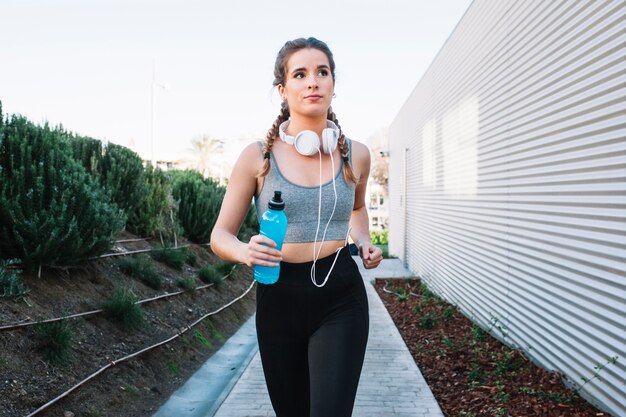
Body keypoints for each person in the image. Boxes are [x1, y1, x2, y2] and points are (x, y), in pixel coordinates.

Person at [210, 36, 383, 417]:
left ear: (333, 85)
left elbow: (356, 211)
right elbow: (220, 235)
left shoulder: (357, 154)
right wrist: (244, 251)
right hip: (278, 297)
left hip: (340, 295)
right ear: (282, 90)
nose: (313, 82)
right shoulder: (258, 157)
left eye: (322, 72)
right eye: (300, 74)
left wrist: (365, 241)